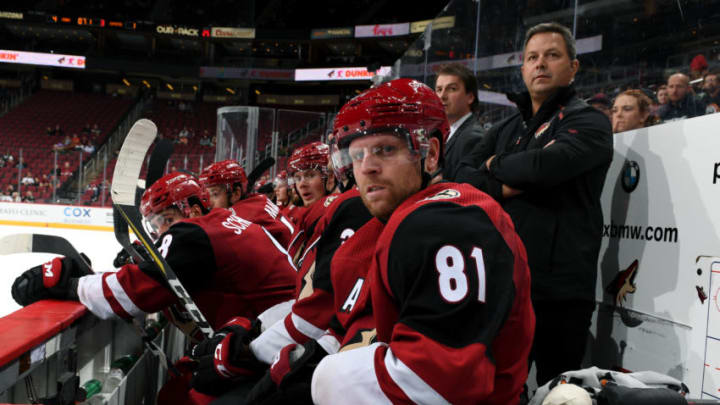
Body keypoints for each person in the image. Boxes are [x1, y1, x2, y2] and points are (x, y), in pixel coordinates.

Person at [299, 78, 534, 405]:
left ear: (431, 153)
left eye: (385, 149)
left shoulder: (442, 222)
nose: (367, 167)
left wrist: (325, 377)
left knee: (330, 376)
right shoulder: (392, 224)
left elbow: (440, 382)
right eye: (356, 154)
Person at [456, 22, 613, 387]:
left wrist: (495, 166)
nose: (540, 64)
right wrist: (509, 184)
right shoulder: (506, 126)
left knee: (557, 392)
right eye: (532, 58)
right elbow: (464, 177)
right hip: (503, 284)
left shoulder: (589, 120)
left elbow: (546, 167)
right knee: (495, 389)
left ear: (573, 67)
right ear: (523, 69)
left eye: (552, 55)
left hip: (561, 292)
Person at [11, 172, 297, 339]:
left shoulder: (193, 233)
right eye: (155, 223)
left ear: (193, 210)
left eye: (165, 219)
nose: (160, 231)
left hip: (273, 340)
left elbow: (130, 294)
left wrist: (71, 286)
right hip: (282, 329)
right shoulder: (222, 222)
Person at [199, 160, 294, 247]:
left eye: (215, 194)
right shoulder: (259, 199)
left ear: (236, 194)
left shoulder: (239, 216)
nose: (210, 202)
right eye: (209, 195)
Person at [434, 62, 486, 181]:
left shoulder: (474, 138)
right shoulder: (440, 133)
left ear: (470, 97)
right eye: (439, 89)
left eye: (451, 89)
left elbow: (465, 189)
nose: (442, 96)